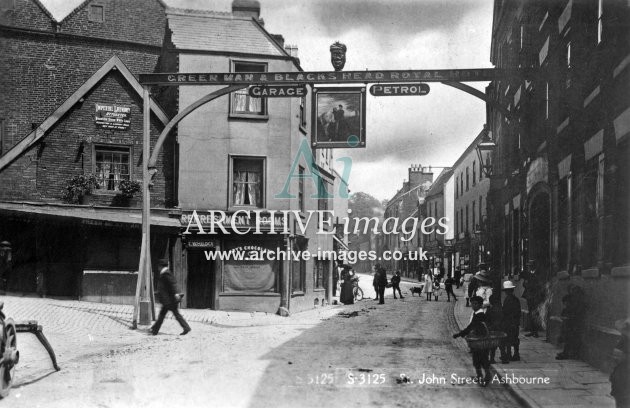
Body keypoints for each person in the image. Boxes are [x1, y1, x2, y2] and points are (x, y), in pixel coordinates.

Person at [453, 296, 492, 386]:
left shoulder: (479, 315)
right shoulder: (477, 313)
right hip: (479, 341)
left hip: (481, 341)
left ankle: (485, 376)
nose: (473, 305)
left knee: (481, 360)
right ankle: (481, 376)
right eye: (472, 303)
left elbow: (470, 327)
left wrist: (459, 334)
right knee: (479, 360)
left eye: (476, 304)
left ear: (480, 305)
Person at [151, 259, 191, 336]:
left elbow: (173, 284)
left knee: (163, 315)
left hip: (169, 300)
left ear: (161, 266)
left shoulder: (166, 274)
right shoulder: (165, 273)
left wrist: (176, 293)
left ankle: (155, 329)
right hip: (168, 300)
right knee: (169, 315)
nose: (158, 268)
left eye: (159, 266)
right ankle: (155, 329)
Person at [556, 285, 586, 360]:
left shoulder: (579, 302)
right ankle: (566, 353)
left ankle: (567, 354)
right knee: (567, 338)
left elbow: (577, 314)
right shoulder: (573, 301)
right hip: (570, 324)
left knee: (570, 338)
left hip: (574, 324)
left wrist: (568, 318)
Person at [500, 280, 521, 363]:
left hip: (509, 322)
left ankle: (509, 354)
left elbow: (505, 312)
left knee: (508, 339)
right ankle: (515, 354)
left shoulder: (508, 300)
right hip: (515, 322)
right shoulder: (515, 299)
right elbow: (518, 312)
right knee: (514, 338)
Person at [610, 318, 629, 408]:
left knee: (622, 399)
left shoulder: (625, 339)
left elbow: (617, 355)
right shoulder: (624, 339)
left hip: (623, 375)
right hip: (623, 374)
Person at [522, 260, 544, 337]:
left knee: (534, 313)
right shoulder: (529, 274)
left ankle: (536, 331)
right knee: (531, 313)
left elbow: (537, 285)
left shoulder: (537, 274)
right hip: (530, 296)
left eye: (530, 266)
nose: (528, 267)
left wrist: (529, 285)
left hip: (535, 296)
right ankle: (532, 330)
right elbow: (524, 284)